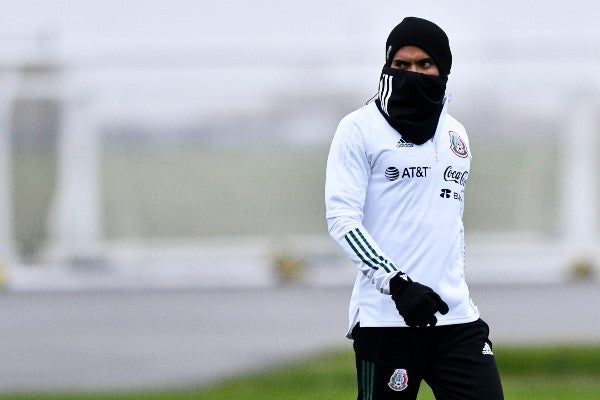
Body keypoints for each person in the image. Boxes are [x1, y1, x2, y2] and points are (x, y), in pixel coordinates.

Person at [324, 17, 504, 399]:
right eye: (401, 65)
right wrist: (397, 283)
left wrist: (455, 287)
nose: (412, 74)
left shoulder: (456, 133)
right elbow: (342, 220)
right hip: (386, 319)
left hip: (454, 317)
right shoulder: (358, 128)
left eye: (424, 64)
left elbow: (449, 223)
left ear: (443, 70)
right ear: (387, 66)